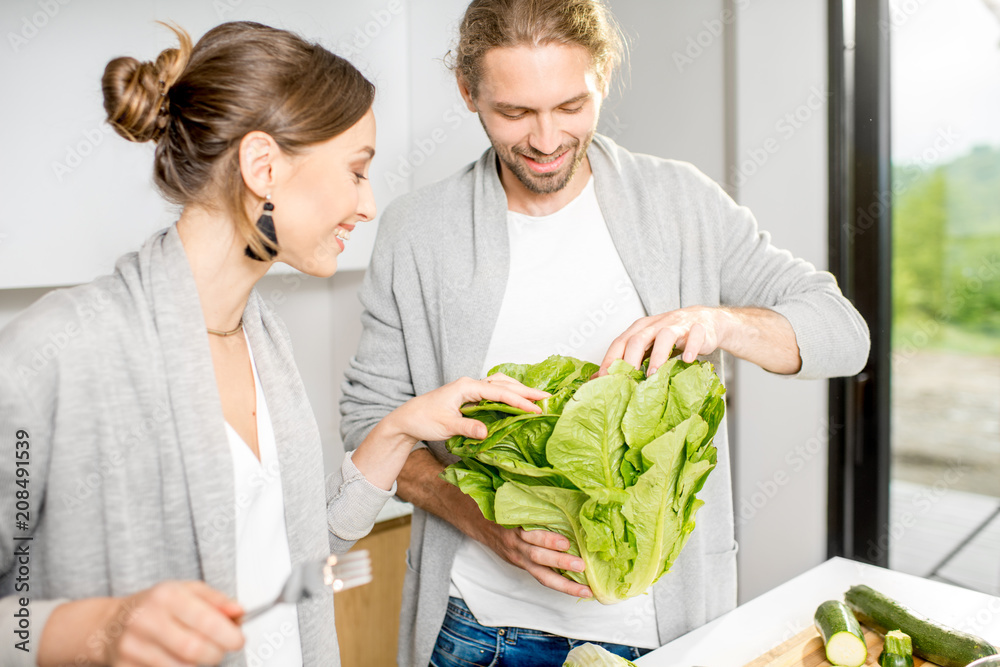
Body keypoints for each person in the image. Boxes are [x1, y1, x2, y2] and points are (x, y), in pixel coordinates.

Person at [339, 0, 871, 665]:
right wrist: (484, 520)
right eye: (514, 112)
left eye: (570, 106)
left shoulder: (682, 203)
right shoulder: (417, 232)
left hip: (663, 637)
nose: (545, 139)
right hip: (482, 634)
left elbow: (844, 333)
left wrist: (716, 322)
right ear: (467, 91)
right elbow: (371, 421)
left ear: (604, 76)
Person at [0, 21, 547, 667]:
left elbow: (295, 551)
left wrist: (401, 427)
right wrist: (100, 626)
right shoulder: (55, 352)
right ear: (263, 166)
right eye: (355, 171)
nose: (368, 205)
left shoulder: (263, 339)